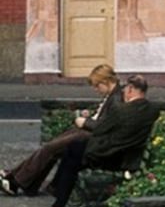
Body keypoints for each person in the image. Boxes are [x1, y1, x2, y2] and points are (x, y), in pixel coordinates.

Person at [41, 74, 160, 207]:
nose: (123, 92)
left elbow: (99, 129)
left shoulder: (120, 110)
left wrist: (84, 122)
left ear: (130, 89)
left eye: (125, 89)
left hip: (109, 157)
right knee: (74, 149)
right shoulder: (153, 110)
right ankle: (56, 190)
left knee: (72, 153)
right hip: (129, 157)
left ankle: (58, 205)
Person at [0, 64, 122, 197]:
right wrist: (89, 115)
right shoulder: (113, 95)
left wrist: (85, 122)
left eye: (97, 86)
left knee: (51, 148)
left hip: (93, 137)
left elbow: (105, 126)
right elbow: (103, 117)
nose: (96, 90)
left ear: (105, 81)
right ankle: (20, 180)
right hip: (88, 133)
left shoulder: (116, 99)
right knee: (51, 147)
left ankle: (15, 180)